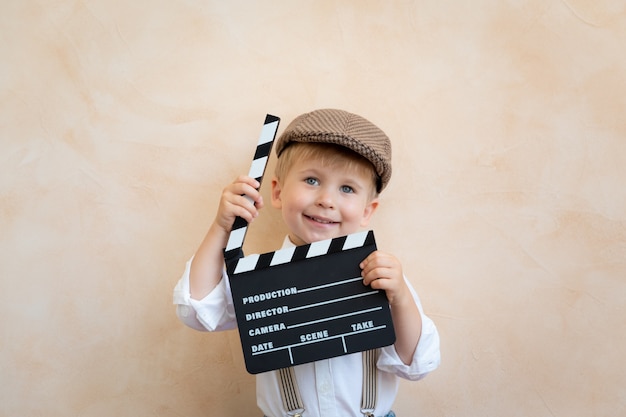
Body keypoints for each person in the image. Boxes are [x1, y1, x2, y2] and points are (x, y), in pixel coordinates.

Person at [173, 108, 440, 417]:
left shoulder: (381, 276)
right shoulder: (258, 279)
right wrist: (222, 227)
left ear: (368, 211)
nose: (326, 199)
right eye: (312, 180)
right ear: (277, 192)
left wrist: (401, 299)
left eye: (347, 188)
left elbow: (416, 363)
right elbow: (196, 310)